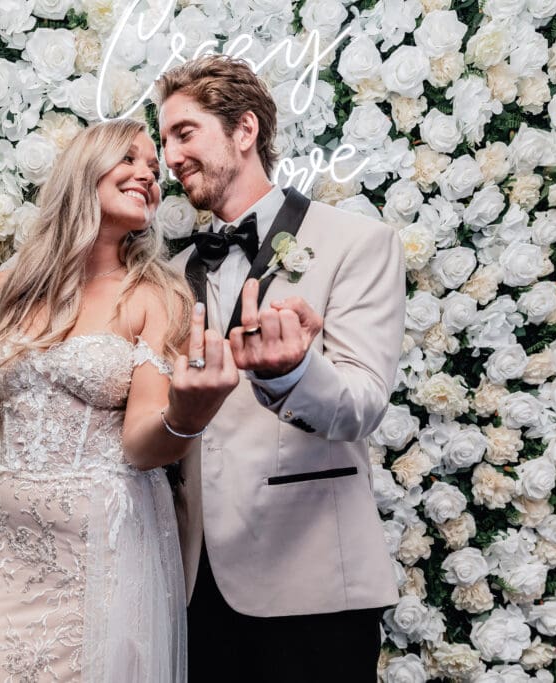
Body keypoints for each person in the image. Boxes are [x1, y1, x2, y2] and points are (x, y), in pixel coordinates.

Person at [0, 118, 239, 682]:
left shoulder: (155, 295)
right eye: (131, 159)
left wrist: (186, 417)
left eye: (155, 169)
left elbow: (144, 443)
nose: (148, 173)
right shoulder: (6, 288)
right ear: (84, 169)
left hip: (102, 556)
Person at [156, 55, 406, 682]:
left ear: (245, 131)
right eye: (164, 141)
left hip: (313, 580)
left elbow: (362, 404)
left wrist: (293, 372)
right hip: (194, 583)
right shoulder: (168, 272)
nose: (170, 156)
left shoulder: (358, 241)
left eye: (185, 133)